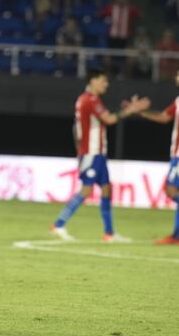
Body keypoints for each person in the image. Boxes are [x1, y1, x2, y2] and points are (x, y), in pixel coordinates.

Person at [51, 69, 150, 242]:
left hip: (97, 154)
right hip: (92, 153)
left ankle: (109, 233)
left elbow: (75, 129)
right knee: (86, 190)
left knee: (106, 190)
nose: (106, 84)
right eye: (103, 81)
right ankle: (58, 224)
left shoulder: (84, 99)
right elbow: (110, 119)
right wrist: (131, 109)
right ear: (93, 81)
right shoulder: (91, 100)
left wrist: (79, 149)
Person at [137, 70, 179, 244]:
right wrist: (142, 112)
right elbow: (164, 117)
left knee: (170, 189)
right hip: (175, 154)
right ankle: (176, 236)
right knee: (172, 190)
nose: (177, 77)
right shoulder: (178, 101)